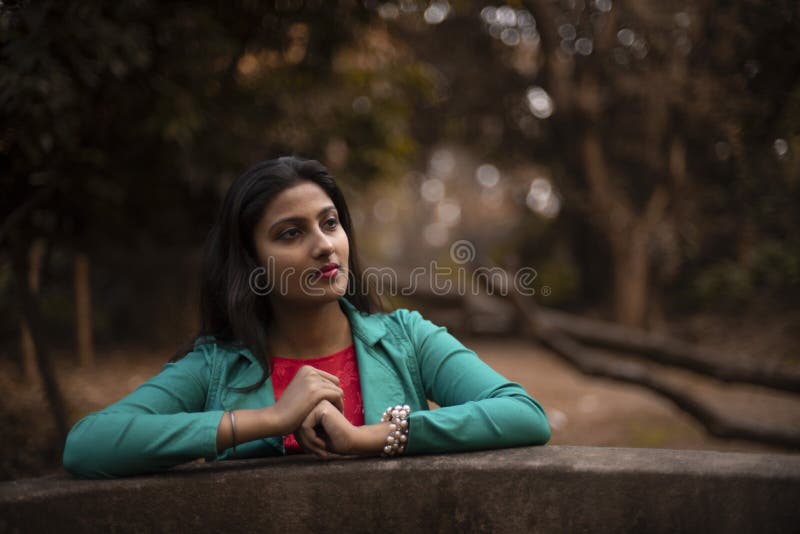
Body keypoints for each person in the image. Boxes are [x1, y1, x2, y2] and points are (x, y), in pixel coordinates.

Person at [62, 156, 550, 478]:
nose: (323, 245)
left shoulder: (407, 338)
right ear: (252, 261)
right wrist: (267, 419)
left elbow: (523, 415)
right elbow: (87, 446)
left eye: (330, 222)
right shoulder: (217, 366)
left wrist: (374, 437)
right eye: (290, 233)